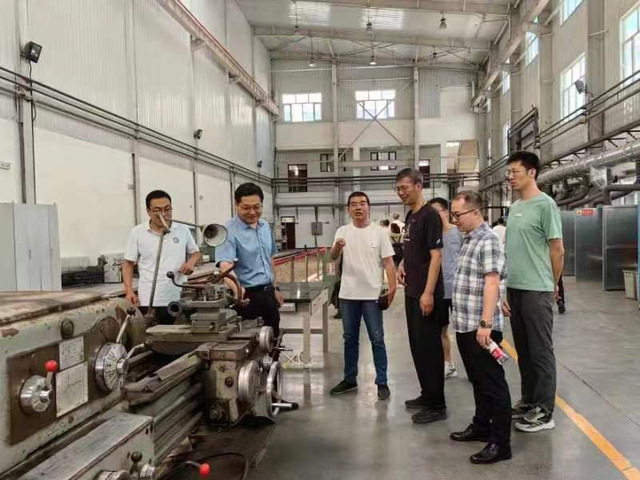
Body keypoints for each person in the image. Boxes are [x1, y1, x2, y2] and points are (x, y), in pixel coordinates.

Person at [502, 151, 564, 433]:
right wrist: (506, 288)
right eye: (509, 172)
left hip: (537, 289)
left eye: (515, 171)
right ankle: (529, 401)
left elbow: (557, 249)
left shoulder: (546, 205)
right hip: (515, 287)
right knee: (524, 351)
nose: (510, 177)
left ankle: (545, 411)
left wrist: (552, 285)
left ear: (532, 173)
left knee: (540, 351)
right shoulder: (515, 207)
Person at [449, 191, 512, 465]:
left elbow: (492, 282)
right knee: (478, 381)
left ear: (475, 212)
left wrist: (486, 323)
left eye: (458, 215)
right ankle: (482, 425)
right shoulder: (469, 239)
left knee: (492, 384)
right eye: (453, 215)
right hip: (465, 324)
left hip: (481, 327)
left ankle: (501, 443)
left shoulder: (487, 240)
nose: (455, 220)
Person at [329, 192, 397, 400]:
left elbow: (388, 263)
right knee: (349, 338)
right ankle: (349, 379)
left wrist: (392, 288)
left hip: (372, 296)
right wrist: (337, 246)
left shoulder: (379, 233)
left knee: (377, 338)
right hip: (348, 295)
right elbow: (332, 257)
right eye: (353, 204)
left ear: (368, 207)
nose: (358, 207)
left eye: (362, 203)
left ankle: (382, 382)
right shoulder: (342, 231)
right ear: (348, 209)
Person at [394, 168, 447, 424]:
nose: (401, 193)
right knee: (418, 347)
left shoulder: (430, 216)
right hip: (412, 291)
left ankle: (437, 405)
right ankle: (427, 394)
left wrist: (428, 292)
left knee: (430, 349)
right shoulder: (411, 216)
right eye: (398, 189)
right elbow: (412, 247)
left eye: (404, 188)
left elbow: (436, 256)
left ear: (418, 185)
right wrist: (402, 263)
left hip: (426, 294)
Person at [123, 190, 202, 324]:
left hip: (178, 296)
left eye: (167, 209)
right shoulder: (138, 232)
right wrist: (129, 291)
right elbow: (128, 264)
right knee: (151, 333)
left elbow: (196, 253)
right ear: (148, 211)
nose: (163, 214)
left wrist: (191, 263)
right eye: (157, 210)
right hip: (149, 299)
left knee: (178, 332)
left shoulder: (182, 229)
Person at [216, 183, 284, 337]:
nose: (252, 212)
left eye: (257, 207)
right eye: (246, 208)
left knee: (272, 338)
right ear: (236, 205)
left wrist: (275, 288)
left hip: (268, 294)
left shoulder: (264, 226)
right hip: (246, 298)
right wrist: (238, 291)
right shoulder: (228, 231)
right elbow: (225, 265)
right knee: (251, 343)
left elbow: (270, 258)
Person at [428, 197, 463, 380]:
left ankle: (475, 367)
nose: (434, 216)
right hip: (440, 291)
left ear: (446, 212)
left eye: (437, 212)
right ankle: (448, 364)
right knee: (441, 330)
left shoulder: (458, 232)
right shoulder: (431, 236)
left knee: (466, 331)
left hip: (459, 290)